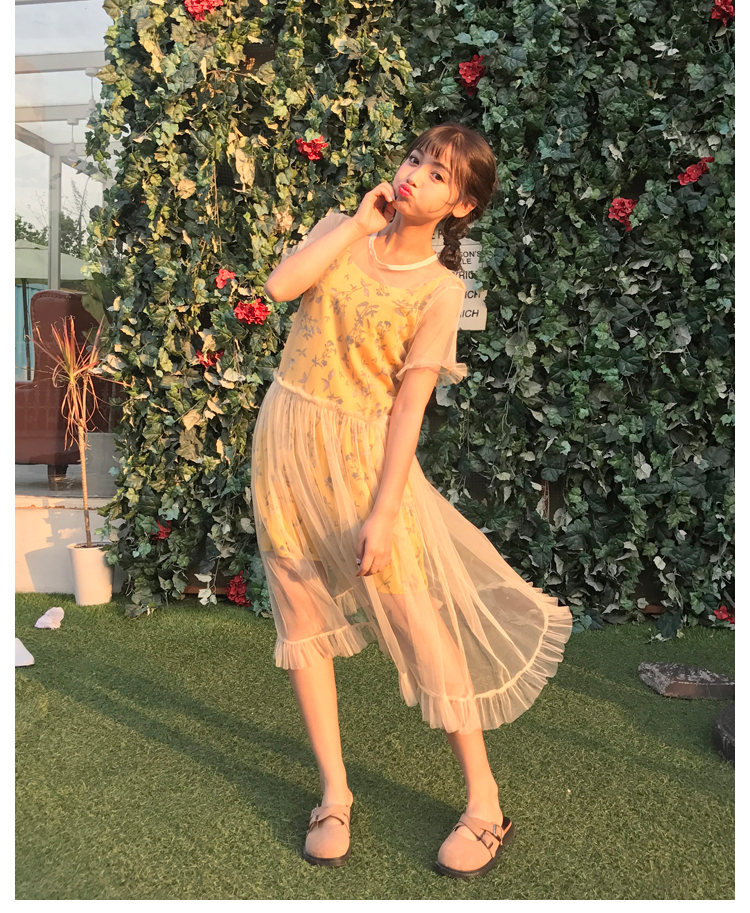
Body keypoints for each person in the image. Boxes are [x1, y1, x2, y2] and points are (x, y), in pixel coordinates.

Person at [251, 122, 573, 880]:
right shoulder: (341, 228)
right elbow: (279, 288)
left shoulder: (441, 288)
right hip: (285, 440)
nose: (413, 176)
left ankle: (485, 803)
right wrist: (354, 227)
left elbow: (408, 409)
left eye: (437, 175)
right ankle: (334, 793)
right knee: (300, 613)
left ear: (461, 206)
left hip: (365, 461)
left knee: (419, 626)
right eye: (414, 159)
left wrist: (385, 510)